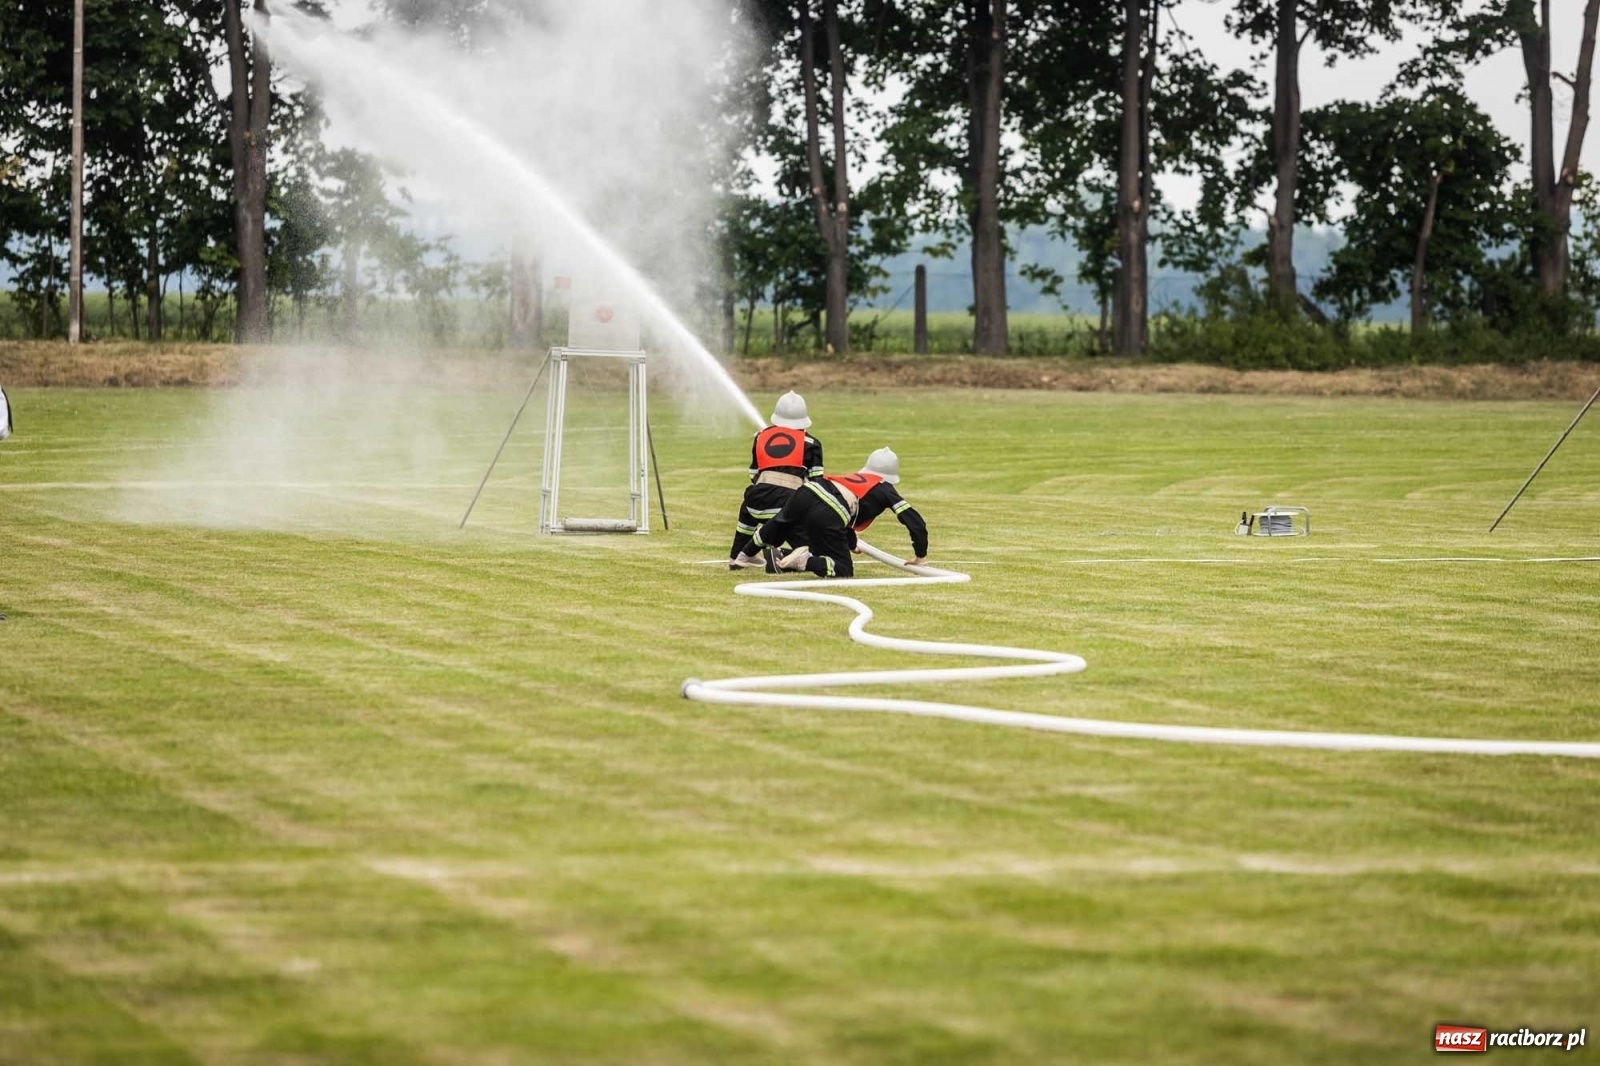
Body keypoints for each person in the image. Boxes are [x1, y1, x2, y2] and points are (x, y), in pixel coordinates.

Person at [746, 448, 928, 579]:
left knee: (780, 523)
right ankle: (804, 561)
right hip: (830, 507)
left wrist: (850, 542)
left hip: (808, 490)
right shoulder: (885, 488)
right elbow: (915, 523)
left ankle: (751, 555)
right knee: (842, 569)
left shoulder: (854, 478)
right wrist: (920, 556)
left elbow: (845, 517)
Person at [728, 390, 823, 569]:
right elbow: (817, 485)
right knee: (816, 553)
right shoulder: (811, 443)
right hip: (786, 509)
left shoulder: (760, 437)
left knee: (746, 516)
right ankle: (780, 559)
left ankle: (737, 556)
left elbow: (753, 475)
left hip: (755, 502)